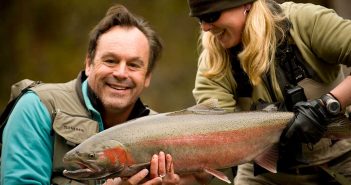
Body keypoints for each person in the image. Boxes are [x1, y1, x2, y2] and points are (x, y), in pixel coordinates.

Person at [0, 4, 180, 185]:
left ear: (147, 76)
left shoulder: (167, 132)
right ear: (89, 63)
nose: (121, 73)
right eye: (111, 61)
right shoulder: (37, 107)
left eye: (133, 65)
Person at [187, 0, 351, 184]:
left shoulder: (306, 21)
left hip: (343, 152)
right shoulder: (213, 62)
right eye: (200, 19)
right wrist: (184, 175)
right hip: (266, 173)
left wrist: (326, 107)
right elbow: (216, 138)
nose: (206, 27)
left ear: (246, 5)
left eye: (211, 16)